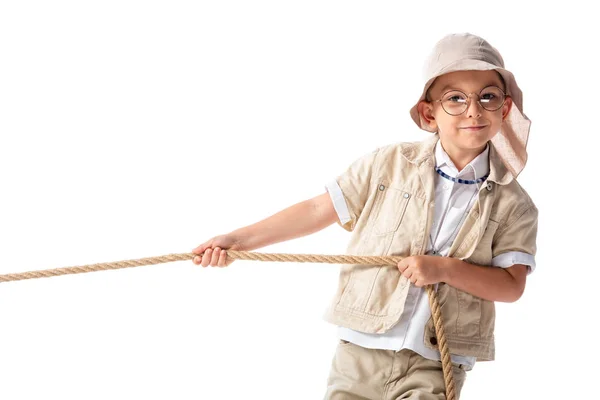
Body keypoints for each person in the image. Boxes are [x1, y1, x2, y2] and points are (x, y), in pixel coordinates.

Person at [191, 33, 538, 399]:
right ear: (428, 112)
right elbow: (316, 209)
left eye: (487, 96)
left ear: (504, 109)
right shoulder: (387, 164)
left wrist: (443, 269)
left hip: (438, 359)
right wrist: (238, 240)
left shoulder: (515, 205)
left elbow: (511, 285)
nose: (473, 110)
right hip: (361, 350)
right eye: (455, 98)